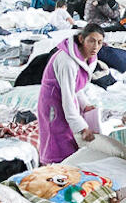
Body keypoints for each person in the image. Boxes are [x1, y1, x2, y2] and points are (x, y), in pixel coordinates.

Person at [37, 26, 103, 163]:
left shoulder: (88, 59)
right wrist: (83, 128)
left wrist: (85, 105)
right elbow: (67, 95)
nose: (95, 46)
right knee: (56, 141)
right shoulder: (67, 62)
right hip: (53, 104)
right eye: (91, 41)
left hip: (66, 101)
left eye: (99, 42)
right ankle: (51, 175)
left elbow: (76, 88)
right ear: (81, 39)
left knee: (70, 140)